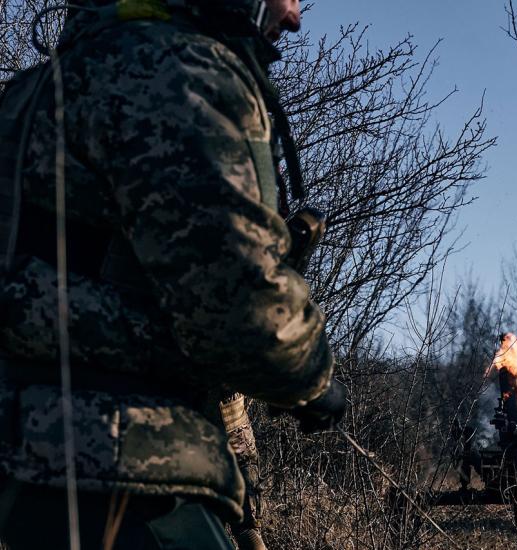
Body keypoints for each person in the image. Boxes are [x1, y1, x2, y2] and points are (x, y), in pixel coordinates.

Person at [0, 0, 346, 547]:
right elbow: (240, 311)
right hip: (128, 473)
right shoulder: (180, 73)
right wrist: (313, 379)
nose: (295, 15)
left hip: (22, 482)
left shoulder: (30, 93)